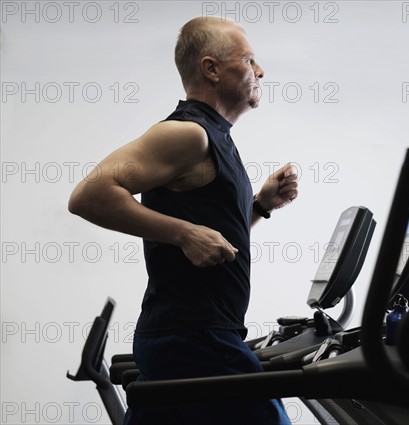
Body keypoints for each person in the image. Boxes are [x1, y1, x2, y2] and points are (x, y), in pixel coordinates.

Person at [68, 16, 297, 424]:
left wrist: (261, 205)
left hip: (191, 335)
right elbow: (89, 196)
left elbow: (215, 240)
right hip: (196, 338)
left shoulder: (217, 138)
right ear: (211, 69)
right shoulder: (189, 134)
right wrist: (184, 233)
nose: (260, 71)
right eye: (248, 60)